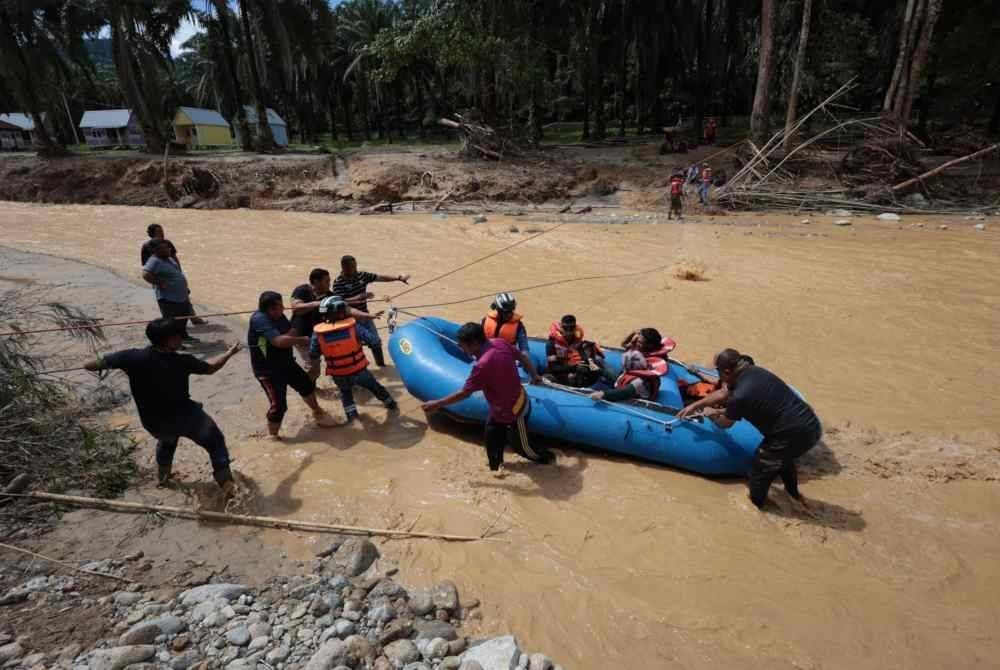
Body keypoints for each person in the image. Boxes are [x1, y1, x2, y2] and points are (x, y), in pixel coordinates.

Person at [83, 318, 241, 497]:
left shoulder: (131, 357)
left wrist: (125, 368)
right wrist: (229, 353)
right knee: (216, 443)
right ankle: (229, 490)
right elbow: (212, 368)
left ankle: (163, 480)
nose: (181, 339)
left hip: (154, 422)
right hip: (188, 418)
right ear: (169, 340)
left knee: (167, 442)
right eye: (178, 336)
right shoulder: (183, 361)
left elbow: (89, 365)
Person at [678, 349, 822, 509]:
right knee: (784, 459)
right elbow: (723, 392)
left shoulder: (740, 395)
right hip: (810, 425)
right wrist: (696, 405)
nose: (717, 375)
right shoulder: (754, 371)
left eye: (718, 371)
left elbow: (725, 424)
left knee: (760, 469)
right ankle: (793, 495)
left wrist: (710, 414)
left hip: (790, 433)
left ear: (726, 371)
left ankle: (758, 508)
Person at [421, 322, 553, 475]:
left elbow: (464, 393)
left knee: (522, 447)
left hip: (515, 410)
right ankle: (495, 470)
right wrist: (534, 375)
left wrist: (438, 403)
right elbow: (522, 356)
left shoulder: (482, 366)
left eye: (462, 344)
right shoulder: (499, 342)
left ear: (475, 343)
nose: (460, 347)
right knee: (491, 438)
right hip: (499, 409)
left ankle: (549, 461)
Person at [249, 291, 337, 439]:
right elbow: (279, 341)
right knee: (279, 406)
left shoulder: (278, 315)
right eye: (280, 306)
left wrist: (287, 338)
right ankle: (273, 438)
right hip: (268, 371)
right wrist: (300, 340)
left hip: (286, 362)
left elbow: (291, 331)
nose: (283, 309)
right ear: (271, 309)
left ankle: (318, 412)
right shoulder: (260, 320)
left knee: (307, 386)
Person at [310, 296, 397, 421]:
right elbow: (375, 342)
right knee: (375, 388)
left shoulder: (317, 334)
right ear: (341, 312)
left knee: (346, 394)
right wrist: (358, 343)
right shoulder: (353, 327)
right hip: (359, 371)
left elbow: (313, 354)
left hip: (338, 374)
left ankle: (353, 419)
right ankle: (392, 406)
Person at [332, 255, 410, 367]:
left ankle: (381, 366)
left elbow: (380, 278)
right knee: (358, 344)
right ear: (343, 267)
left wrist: (398, 278)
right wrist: (360, 296)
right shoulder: (338, 283)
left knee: (376, 342)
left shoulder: (361, 275)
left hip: (366, 315)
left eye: (355, 266)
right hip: (351, 319)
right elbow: (340, 302)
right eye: (351, 268)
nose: (355, 270)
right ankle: (358, 367)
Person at [140, 224, 206, 325]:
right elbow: (145, 267)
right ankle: (174, 325)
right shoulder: (147, 247)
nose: (162, 233)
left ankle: (192, 318)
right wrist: (159, 281)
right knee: (168, 303)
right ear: (152, 234)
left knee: (184, 297)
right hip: (160, 277)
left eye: (162, 230)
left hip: (174, 274)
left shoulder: (167, 243)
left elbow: (175, 258)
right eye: (159, 232)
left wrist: (179, 273)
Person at [142, 239, 198, 343]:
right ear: (156, 250)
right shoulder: (154, 261)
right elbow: (145, 274)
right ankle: (175, 342)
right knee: (171, 322)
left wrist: (184, 287)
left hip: (181, 295)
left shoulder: (168, 258)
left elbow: (177, 273)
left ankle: (184, 337)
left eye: (168, 247)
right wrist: (159, 282)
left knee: (183, 319)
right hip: (169, 298)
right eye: (164, 248)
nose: (168, 249)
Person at [290, 268, 334, 381]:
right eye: (326, 281)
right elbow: (296, 309)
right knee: (313, 370)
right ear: (315, 281)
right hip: (301, 337)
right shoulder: (302, 290)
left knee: (330, 363)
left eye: (329, 281)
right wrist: (318, 303)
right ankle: (307, 391)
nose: (329, 284)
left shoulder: (329, 295)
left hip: (319, 337)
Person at [545, 314, 611, 388]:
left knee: (598, 360)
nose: (569, 331)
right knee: (567, 377)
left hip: (575, 367)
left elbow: (583, 356)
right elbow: (553, 368)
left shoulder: (577, 338)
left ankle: (616, 381)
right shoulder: (552, 343)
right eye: (566, 328)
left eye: (571, 328)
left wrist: (589, 361)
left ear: (575, 328)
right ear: (561, 328)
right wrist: (573, 368)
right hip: (561, 371)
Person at [590, 350, 661, 403]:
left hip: (628, 395)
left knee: (596, 385)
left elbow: (623, 393)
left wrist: (603, 394)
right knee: (599, 363)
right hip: (624, 389)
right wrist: (600, 371)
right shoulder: (635, 373)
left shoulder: (639, 382)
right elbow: (618, 380)